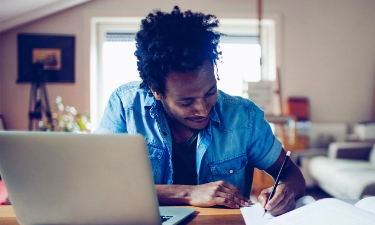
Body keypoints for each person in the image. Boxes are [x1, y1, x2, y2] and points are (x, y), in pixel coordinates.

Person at [95, 6, 306, 216]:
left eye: (210, 92)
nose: (203, 109)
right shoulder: (126, 106)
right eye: (186, 102)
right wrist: (186, 193)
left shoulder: (244, 117)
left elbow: (291, 173)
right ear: (156, 91)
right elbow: (99, 185)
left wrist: (285, 190)